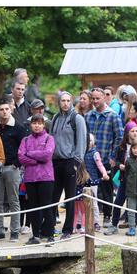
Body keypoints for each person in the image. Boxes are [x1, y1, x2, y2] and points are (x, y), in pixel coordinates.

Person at [85, 88, 124, 228]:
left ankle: (107, 215)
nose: (95, 101)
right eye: (93, 99)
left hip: (106, 158)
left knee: (106, 189)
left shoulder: (113, 116)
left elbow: (119, 137)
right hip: (89, 159)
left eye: (98, 98)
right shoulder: (88, 116)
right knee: (90, 188)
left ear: (104, 98)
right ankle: (90, 218)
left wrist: (113, 156)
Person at [50, 91, 87, 238]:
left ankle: (67, 229)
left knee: (70, 197)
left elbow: (82, 142)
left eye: (68, 100)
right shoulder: (55, 118)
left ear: (71, 102)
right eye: (62, 101)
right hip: (56, 161)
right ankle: (50, 226)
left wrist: (77, 162)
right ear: (59, 102)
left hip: (70, 161)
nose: (65, 103)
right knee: (53, 197)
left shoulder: (76, 118)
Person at [19, 114, 56, 244]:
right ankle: (35, 236)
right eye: (35, 123)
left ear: (43, 125)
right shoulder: (25, 140)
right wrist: (35, 160)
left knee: (46, 206)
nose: (37, 125)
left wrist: (30, 154)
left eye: (39, 123)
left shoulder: (49, 138)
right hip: (30, 178)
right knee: (33, 207)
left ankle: (50, 234)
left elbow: (47, 155)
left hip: (46, 177)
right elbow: (20, 156)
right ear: (31, 125)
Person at [0, 100, 26, 240]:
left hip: (12, 167)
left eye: (7, 109)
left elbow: (24, 147)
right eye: (1, 109)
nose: (4, 111)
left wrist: (17, 163)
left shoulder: (18, 127)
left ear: (10, 110)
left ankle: (15, 231)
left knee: (14, 201)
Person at [83, 136, 110, 233]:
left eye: (90, 140)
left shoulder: (95, 153)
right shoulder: (81, 152)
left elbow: (100, 165)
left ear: (93, 142)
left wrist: (104, 174)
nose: (88, 142)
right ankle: (83, 223)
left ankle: (96, 222)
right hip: (82, 181)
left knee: (94, 203)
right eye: (86, 139)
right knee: (82, 203)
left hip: (93, 180)